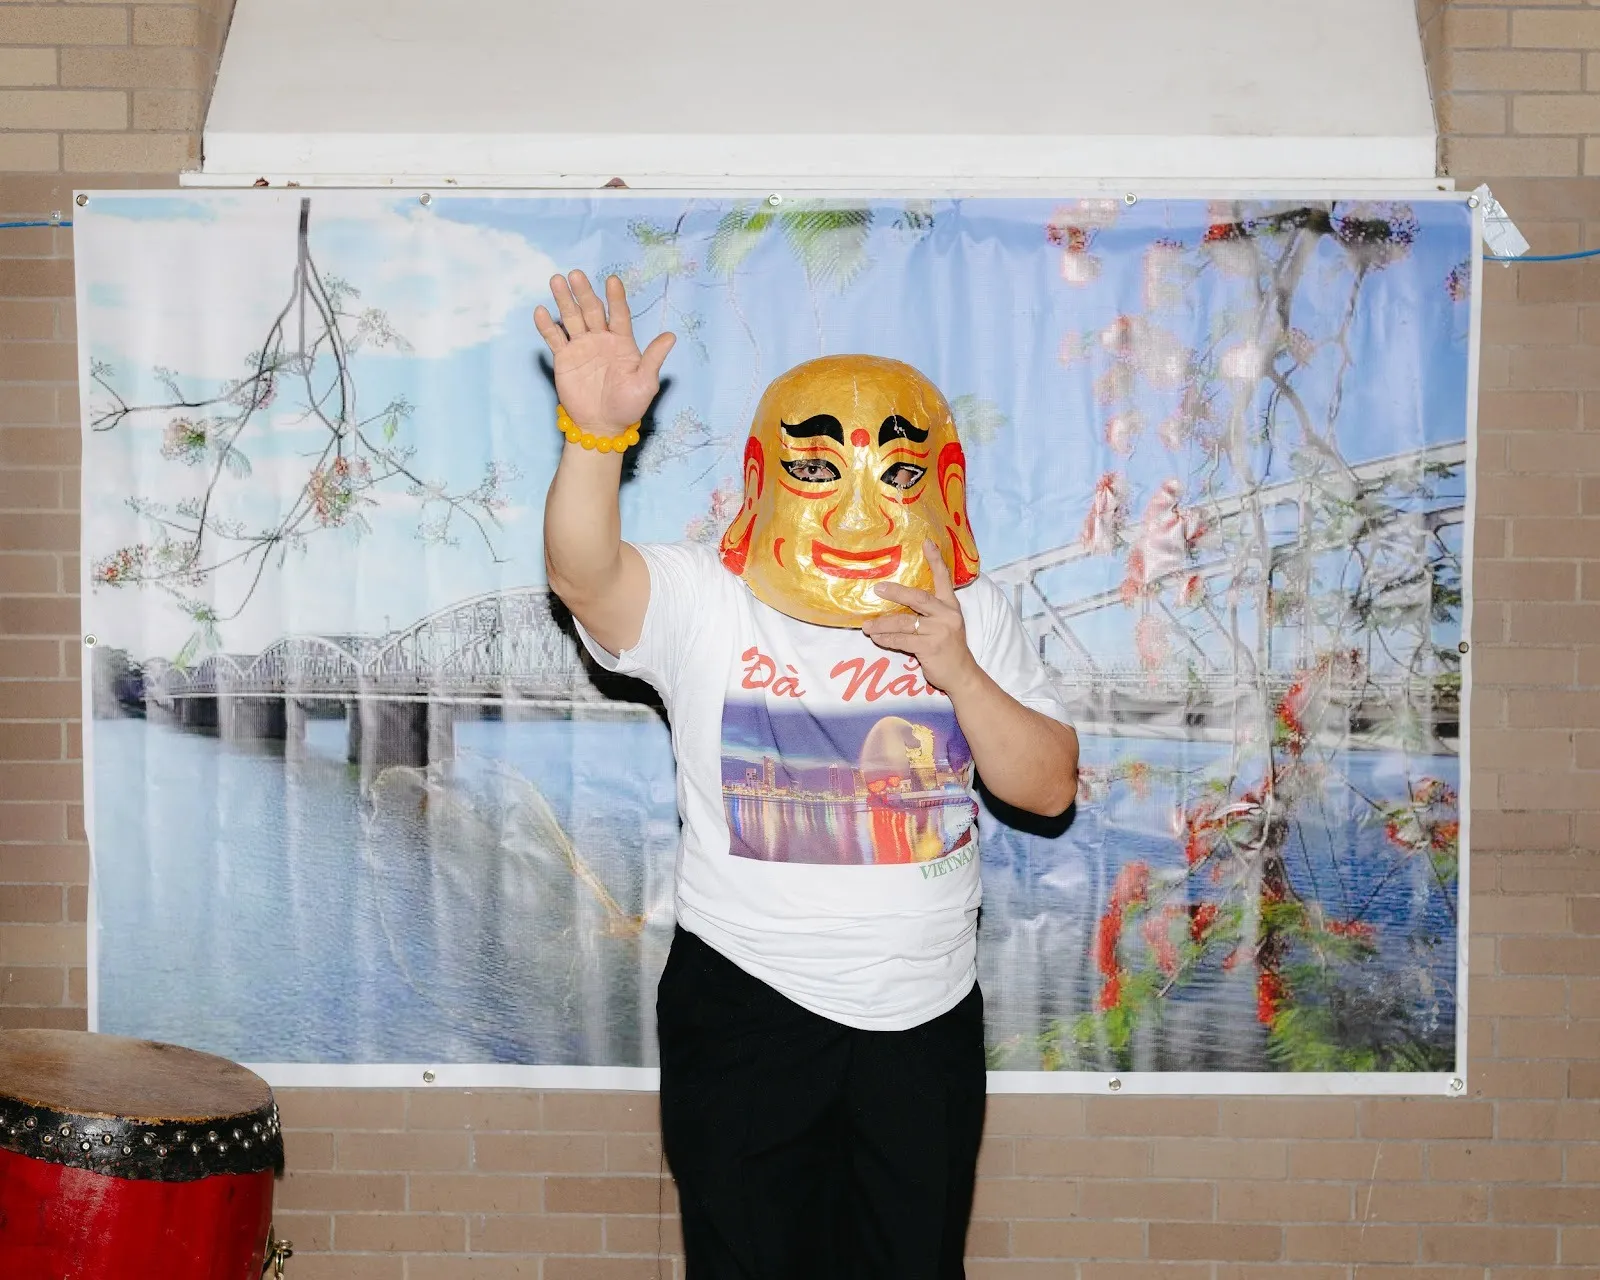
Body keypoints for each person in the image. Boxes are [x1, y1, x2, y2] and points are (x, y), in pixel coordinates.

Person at [537, 268, 1079, 1279]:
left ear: (940, 479)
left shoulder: (976, 609)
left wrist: (958, 667)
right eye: (819, 468)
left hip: (924, 1011)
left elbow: (1047, 788)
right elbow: (583, 573)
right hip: (746, 1001)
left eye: (897, 472)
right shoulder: (707, 598)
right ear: (767, 475)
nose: (860, 508)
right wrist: (594, 438)